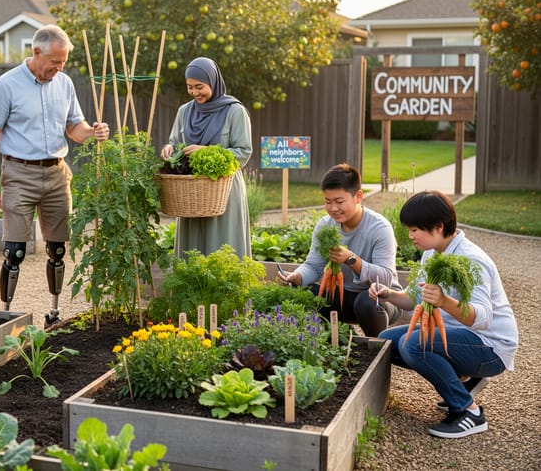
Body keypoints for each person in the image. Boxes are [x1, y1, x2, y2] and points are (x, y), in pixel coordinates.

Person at [0, 24, 110, 326]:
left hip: (56, 174)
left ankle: (54, 311)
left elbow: (74, 128)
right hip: (18, 174)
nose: (59, 68)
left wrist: (92, 132)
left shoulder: (64, 84)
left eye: (63, 62)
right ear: (36, 52)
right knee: (14, 251)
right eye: (55, 62)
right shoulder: (6, 85)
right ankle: (6, 314)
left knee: (58, 248)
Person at [372, 190, 518, 439]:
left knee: (414, 345)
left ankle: (468, 412)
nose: (410, 236)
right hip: (460, 338)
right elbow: (412, 299)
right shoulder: (432, 253)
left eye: (415, 229)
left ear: (438, 227)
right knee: (386, 341)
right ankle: (464, 383)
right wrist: (387, 294)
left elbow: (482, 318)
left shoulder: (472, 260)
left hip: (490, 346)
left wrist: (444, 301)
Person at [276, 164, 403, 336]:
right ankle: (338, 339)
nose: (333, 208)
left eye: (339, 202)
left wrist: (351, 259)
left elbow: (386, 278)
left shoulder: (380, 228)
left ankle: (377, 350)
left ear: (358, 197)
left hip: (382, 300)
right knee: (302, 293)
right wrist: (296, 277)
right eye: (328, 202)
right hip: (343, 297)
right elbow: (313, 266)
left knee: (367, 301)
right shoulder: (325, 225)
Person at [159, 57, 253, 259]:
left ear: (213, 81)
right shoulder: (184, 112)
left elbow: (243, 151)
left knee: (223, 249)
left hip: (224, 192)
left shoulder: (234, 111)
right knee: (191, 251)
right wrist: (169, 149)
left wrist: (206, 152)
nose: (194, 92)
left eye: (199, 86)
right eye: (189, 87)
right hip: (191, 194)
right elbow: (176, 143)